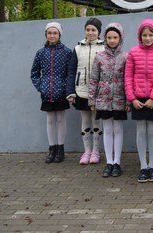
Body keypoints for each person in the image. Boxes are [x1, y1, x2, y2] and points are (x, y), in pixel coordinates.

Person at [125, 19, 153, 183]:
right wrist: (132, 98)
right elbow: (128, 77)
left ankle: (152, 166)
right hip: (138, 98)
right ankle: (143, 166)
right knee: (141, 131)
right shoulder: (133, 52)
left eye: (150, 35)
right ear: (140, 36)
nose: (147, 38)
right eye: (144, 35)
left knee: (152, 131)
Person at [88, 23, 128, 178]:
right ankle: (109, 162)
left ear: (120, 38)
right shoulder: (99, 57)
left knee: (118, 130)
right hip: (103, 99)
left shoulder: (125, 57)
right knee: (108, 130)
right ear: (104, 38)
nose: (112, 40)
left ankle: (117, 162)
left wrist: (128, 101)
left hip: (119, 100)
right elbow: (93, 80)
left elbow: (128, 79)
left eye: (115, 37)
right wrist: (92, 100)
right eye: (109, 37)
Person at [30, 22, 73, 164]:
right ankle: (52, 149)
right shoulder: (40, 53)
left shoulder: (67, 52)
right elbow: (34, 73)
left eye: (55, 33)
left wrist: (67, 89)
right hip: (47, 92)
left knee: (61, 119)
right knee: (50, 120)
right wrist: (40, 86)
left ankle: (60, 149)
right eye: (49, 33)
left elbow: (70, 73)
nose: (52, 35)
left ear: (59, 34)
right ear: (46, 35)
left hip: (61, 92)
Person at [67, 18, 105, 165]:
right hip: (81, 91)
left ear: (98, 32)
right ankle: (86, 151)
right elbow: (71, 71)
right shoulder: (77, 49)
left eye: (93, 30)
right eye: (88, 29)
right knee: (85, 121)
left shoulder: (103, 48)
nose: (90, 33)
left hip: (98, 92)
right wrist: (70, 91)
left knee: (96, 121)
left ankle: (96, 151)